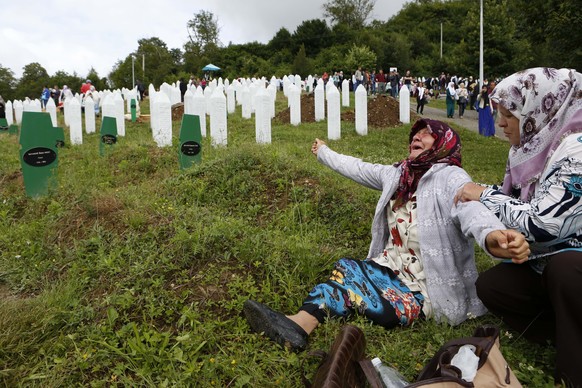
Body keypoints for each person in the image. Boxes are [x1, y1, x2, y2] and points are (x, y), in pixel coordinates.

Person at [243, 118, 529, 351]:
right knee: (349, 269)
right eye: (414, 134)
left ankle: (299, 324)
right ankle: (298, 324)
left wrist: (493, 236)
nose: (416, 137)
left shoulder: (450, 177)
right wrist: (324, 152)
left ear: (443, 143)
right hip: (390, 267)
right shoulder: (399, 175)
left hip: (425, 287)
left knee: (363, 293)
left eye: (426, 134)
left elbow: (471, 210)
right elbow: (357, 167)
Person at [454, 67, 582, 387]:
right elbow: (511, 201)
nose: (500, 124)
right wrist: (507, 237)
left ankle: (572, 373)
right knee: (492, 286)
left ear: (539, 109)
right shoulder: (527, 148)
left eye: (508, 115)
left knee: (566, 268)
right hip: (546, 264)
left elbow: (543, 225)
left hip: (572, 262)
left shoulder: (577, 149)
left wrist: (483, 194)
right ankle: (562, 329)